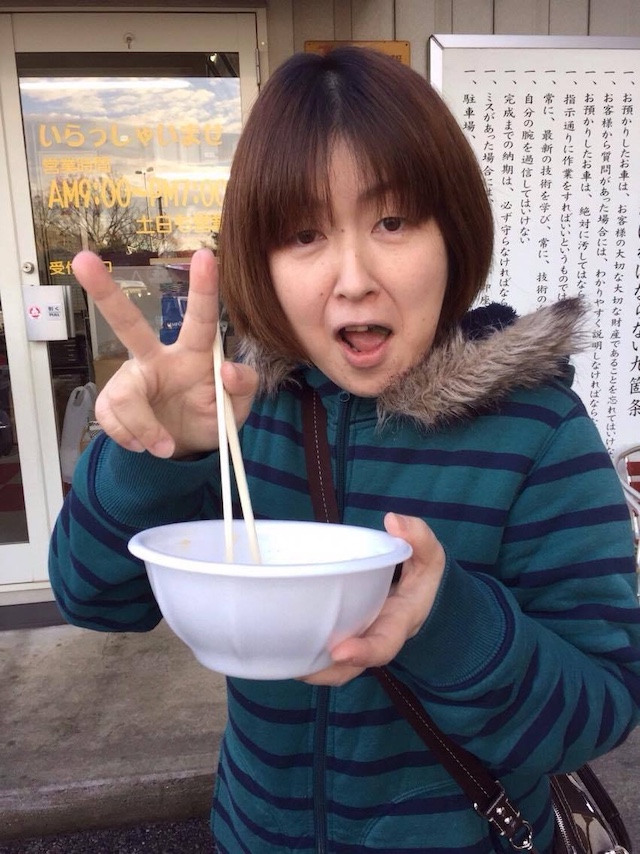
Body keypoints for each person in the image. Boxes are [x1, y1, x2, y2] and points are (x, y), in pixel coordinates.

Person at [49, 47, 640, 854]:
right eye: (304, 234)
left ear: (452, 232)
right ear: (261, 260)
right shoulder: (235, 411)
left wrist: (444, 620)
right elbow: (93, 599)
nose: (353, 278)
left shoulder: (538, 432)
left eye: (393, 222)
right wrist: (158, 456)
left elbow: (600, 709)